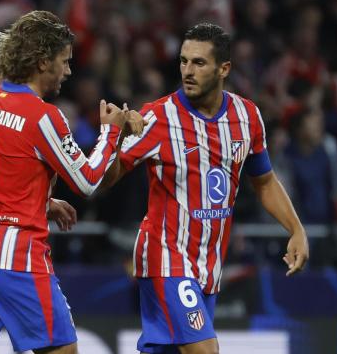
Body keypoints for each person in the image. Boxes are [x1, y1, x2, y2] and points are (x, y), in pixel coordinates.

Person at [0, 11, 142, 354]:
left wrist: (43, 203)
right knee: (64, 350)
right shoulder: (43, 116)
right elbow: (88, 181)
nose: (68, 71)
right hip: (17, 259)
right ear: (41, 61)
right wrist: (110, 131)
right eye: (63, 62)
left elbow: (1, 176)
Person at [101, 23, 309, 354]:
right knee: (204, 350)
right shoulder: (158, 117)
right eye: (183, 61)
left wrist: (296, 229)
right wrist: (116, 137)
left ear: (224, 68)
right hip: (165, 257)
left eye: (198, 63)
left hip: (208, 265)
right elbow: (105, 180)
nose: (187, 70)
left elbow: (265, 182)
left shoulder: (247, 117)